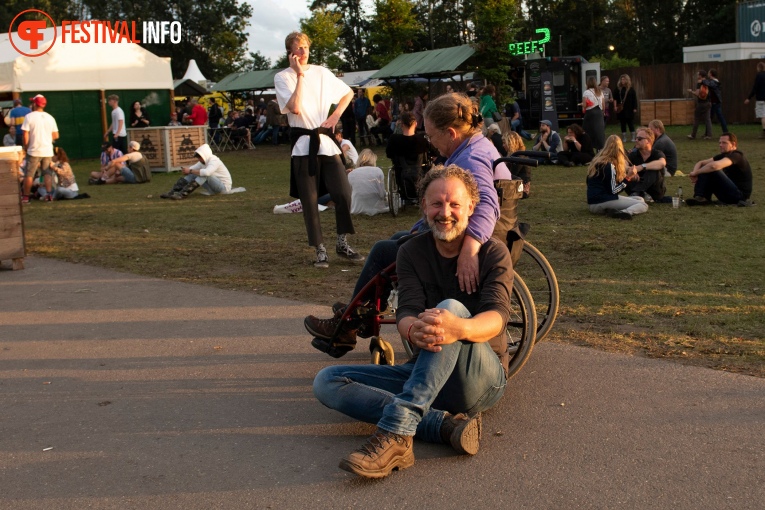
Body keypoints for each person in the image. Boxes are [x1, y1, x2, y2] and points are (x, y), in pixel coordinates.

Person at [313, 164, 512, 479]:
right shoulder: (410, 252)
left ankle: (397, 432)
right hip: (426, 374)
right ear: (424, 206)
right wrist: (411, 330)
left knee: (449, 309)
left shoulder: (493, 253)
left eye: (454, 204)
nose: (444, 212)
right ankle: (444, 426)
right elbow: (406, 311)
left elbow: (497, 319)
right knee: (326, 382)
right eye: (436, 203)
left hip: (480, 376)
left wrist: (458, 327)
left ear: (471, 207)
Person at [304, 92, 511, 356]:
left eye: (431, 135)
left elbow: (486, 206)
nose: (430, 141)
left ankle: (349, 325)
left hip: (459, 240)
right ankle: (358, 315)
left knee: (382, 251)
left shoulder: (470, 159)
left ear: (450, 133)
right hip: (455, 233)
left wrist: (470, 249)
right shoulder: (477, 146)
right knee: (398, 238)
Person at [274, 31, 362, 268]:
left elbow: (348, 92)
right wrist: (300, 76)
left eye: (305, 48)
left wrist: (335, 116)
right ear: (289, 53)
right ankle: (320, 250)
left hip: (326, 142)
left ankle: (341, 242)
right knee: (310, 200)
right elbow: (293, 108)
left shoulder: (322, 73)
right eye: (297, 49)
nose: (303, 52)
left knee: (343, 192)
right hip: (303, 146)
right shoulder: (283, 77)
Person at [586, 135, 647, 220]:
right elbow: (614, 191)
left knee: (639, 199)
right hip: (602, 202)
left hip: (593, 203)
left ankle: (611, 210)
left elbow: (589, 183)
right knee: (643, 205)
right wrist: (628, 177)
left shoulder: (597, 162)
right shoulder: (609, 165)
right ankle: (623, 212)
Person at [686, 133, 752, 206]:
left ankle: (701, 197)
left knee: (711, 169)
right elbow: (701, 163)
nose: (720, 145)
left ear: (733, 144)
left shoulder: (737, 156)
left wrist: (696, 173)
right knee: (706, 168)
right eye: (720, 143)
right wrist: (694, 173)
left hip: (739, 196)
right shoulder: (724, 155)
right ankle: (702, 197)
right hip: (728, 193)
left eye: (724, 143)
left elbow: (714, 166)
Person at [20, 94, 59, 204]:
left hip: (33, 150)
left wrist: (26, 147)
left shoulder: (29, 117)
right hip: (47, 150)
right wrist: (46, 138)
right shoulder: (50, 117)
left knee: (29, 174)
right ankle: (49, 195)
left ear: (34, 104)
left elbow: (25, 134)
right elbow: (56, 135)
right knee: (47, 173)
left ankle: (26, 197)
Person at [160, 143, 233, 200]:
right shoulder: (203, 162)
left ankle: (182, 194)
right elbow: (192, 169)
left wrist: (190, 171)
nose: (199, 159)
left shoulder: (214, 161)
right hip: (213, 188)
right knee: (194, 173)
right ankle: (173, 192)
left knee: (204, 174)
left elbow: (207, 172)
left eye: (199, 157)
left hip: (224, 188)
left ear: (205, 155)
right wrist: (187, 171)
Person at [386, 111, 430, 202]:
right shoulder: (422, 139)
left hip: (401, 174)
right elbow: (434, 153)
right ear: (416, 124)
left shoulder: (394, 139)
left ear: (401, 125)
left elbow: (389, 154)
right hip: (421, 174)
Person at [624, 126, 667, 202]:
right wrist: (631, 170)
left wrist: (641, 167)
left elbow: (662, 163)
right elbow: (623, 164)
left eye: (639, 139)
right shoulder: (634, 154)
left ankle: (638, 192)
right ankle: (640, 193)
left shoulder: (657, 153)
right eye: (636, 138)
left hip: (655, 191)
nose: (636, 140)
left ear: (649, 141)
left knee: (653, 169)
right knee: (623, 172)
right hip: (635, 187)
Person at [347, 149, 388, 216]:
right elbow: (382, 194)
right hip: (375, 206)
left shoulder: (351, 174)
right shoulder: (378, 171)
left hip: (357, 207)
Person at [502, 130, 532, 198]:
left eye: (504, 143)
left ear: (510, 143)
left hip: (521, 190)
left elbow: (511, 174)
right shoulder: (516, 155)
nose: (503, 145)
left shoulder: (519, 157)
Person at [687, 70, 713, 140]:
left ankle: (693, 135)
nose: (697, 76)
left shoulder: (700, 83)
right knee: (708, 119)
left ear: (701, 76)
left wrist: (691, 91)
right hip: (708, 102)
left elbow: (697, 94)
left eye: (698, 75)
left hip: (701, 103)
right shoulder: (709, 82)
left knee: (697, 119)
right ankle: (709, 135)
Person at [582, 76, 605, 151]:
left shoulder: (586, 92)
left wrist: (583, 106)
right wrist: (602, 112)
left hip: (590, 113)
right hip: (599, 113)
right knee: (599, 132)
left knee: (588, 131)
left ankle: (589, 147)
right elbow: (603, 104)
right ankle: (600, 148)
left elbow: (585, 105)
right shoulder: (600, 91)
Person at [744, 61, 765, 138]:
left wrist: (749, 98)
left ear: (758, 67)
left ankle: (764, 132)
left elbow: (755, 88)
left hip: (761, 99)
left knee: (763, 115)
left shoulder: (759, 76)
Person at [614, 74, 638, 142]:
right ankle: (624, 137)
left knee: (630, 122)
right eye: (621, 79)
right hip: (621, 108)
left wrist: (635, 108)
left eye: (624, 79)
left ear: (627, 80)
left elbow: (634, 99)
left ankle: (633, 136)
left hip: (629, 108)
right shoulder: (618, 89)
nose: (622, 80)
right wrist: (615, 106)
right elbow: (615, 98)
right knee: (622, 123)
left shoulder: (631, 89)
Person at [707, 69, 728, 134]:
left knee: (719, 117)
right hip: (714, 102)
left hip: (715, 103)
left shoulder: (714, 82)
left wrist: (703, 80)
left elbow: (710, 85)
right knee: (709, 117)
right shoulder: (714, 82)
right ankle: (707, 132)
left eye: (708, 73)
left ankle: (725, 131)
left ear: (711, 74)